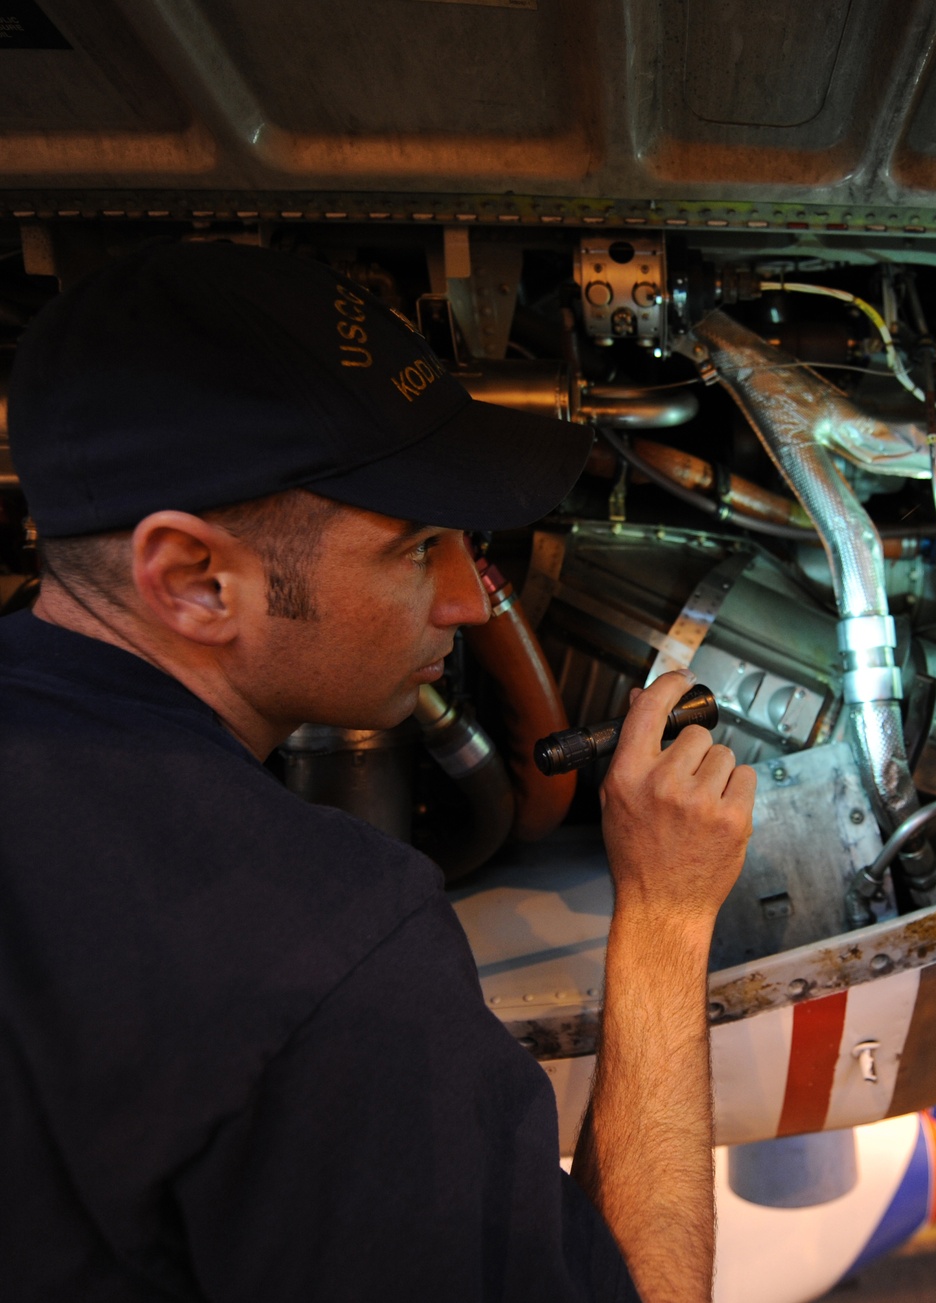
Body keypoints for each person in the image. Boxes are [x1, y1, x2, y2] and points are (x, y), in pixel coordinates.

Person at [0, 240, 755, 1302]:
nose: (464, 598)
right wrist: (669, 917)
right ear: (194, 578)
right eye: (415, 548)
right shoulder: (318, 953)